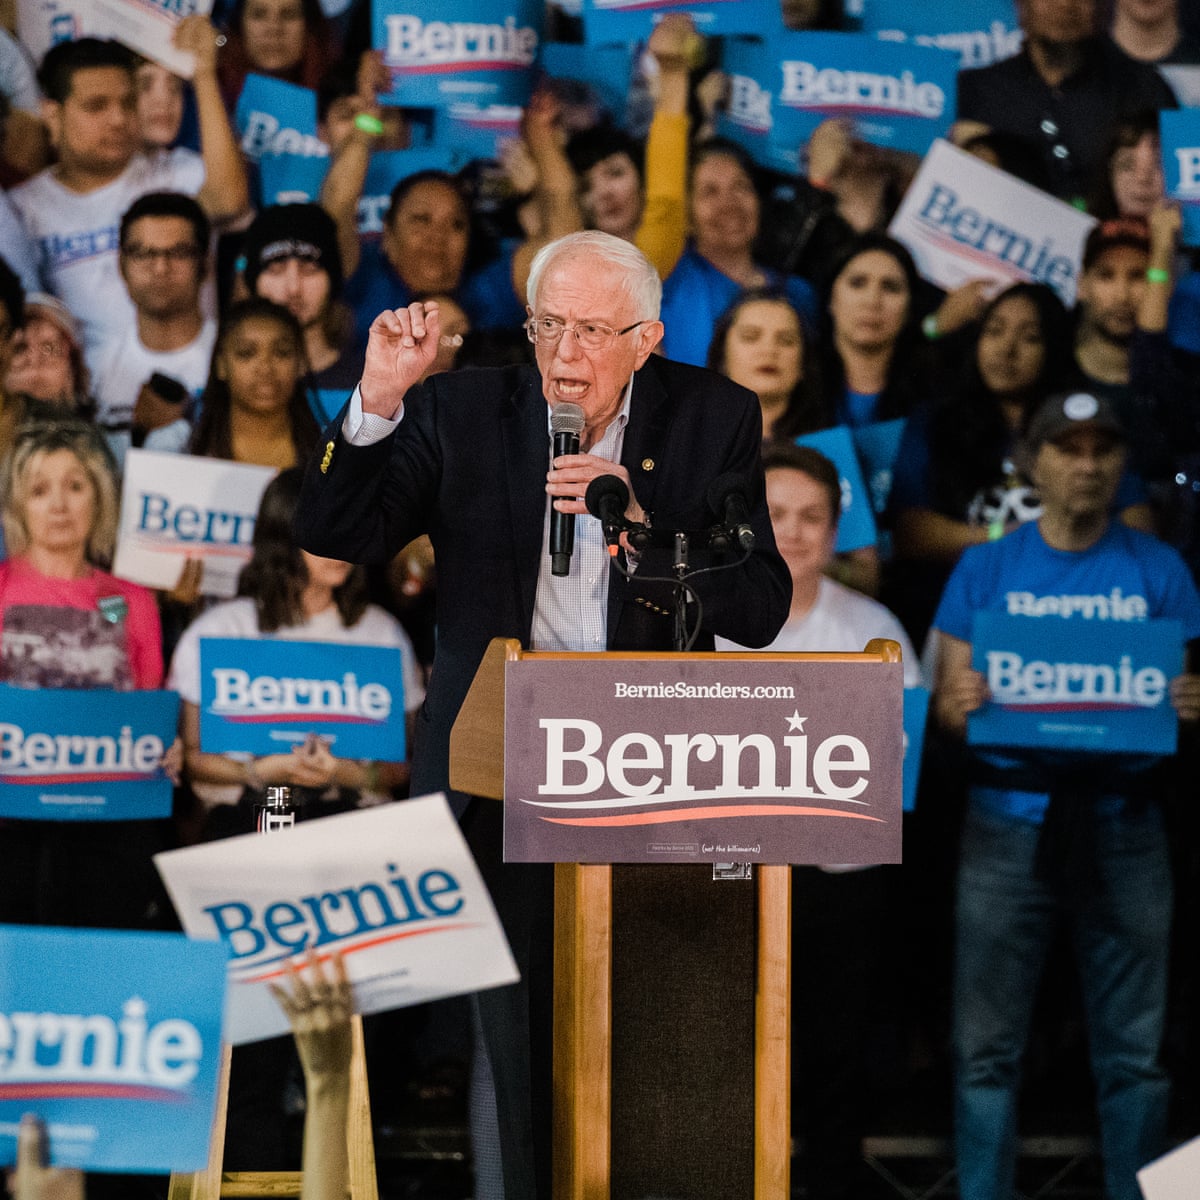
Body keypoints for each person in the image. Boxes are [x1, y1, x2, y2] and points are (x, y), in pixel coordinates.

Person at [295, 229, 791, 1199]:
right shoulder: (464, 406)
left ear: (646, 338)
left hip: (652, 767)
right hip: (503, 760)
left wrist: (636, 532)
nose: (565, 356)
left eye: (592, 332)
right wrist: (379, 401)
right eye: (548, 325)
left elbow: (759, 603)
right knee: (517, 1045)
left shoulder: (712, 415)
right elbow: (336, 530)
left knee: (653, 1041)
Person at [930, 390, 1200, 1200]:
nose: (1087, 464)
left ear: (1120, 464)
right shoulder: (986, 566)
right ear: (1033, 462)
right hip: (1005, 823)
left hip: (1126, 823)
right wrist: (958, 705)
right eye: (1068, 448)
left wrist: (1189, 708)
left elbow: (1177, 700)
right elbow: (945, 701)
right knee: (984, 1050)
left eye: (1102, 449)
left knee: (1136, 1055)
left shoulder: (1161, 569)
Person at [715, 441, 918, 1200]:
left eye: (812, 517)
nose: (793, 532)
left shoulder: (877, 629)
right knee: (729, 1051)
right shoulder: (703, 621)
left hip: (840, 885)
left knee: (835, 1055)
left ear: (837, 530)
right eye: (775, 515)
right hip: (728, 874)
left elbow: (897, 770)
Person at [169, 466, 423, 827]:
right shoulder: (220, 629)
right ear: (283, 536)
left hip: (356, 821)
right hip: (249, 815)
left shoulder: (381, 632)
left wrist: (346, 775)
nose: (341, 546)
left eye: (350, 527)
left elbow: (406, 765)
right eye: (325, 529)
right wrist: (259, 771)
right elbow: (194, 760)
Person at [0, 421, 169, 929]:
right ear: (17, 505)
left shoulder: (127, 601)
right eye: (39, 490)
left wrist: (163, 746)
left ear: (99, 497)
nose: (58, 506)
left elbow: (144, 703)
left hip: (106, 810)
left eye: (75, 486)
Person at [10, 33, 245, 371]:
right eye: (97, 106)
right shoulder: (22, 208)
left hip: (196, 391)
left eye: (128, 103)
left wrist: (205, 76)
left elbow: (228, 201)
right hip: (89, 408)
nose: (118, 119)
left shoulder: (174, 174)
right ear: (51, 114)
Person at [956, 0, 1177, 204]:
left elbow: (1177, 186)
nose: (1064, 4)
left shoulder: (1141, 88)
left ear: (1101, 6)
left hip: (1115, 241)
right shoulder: (976, 90)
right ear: (1021, 6)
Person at [660, 138, 818, 366]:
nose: (729, 204)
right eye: (709, 192)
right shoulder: (668, 281)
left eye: (741, 186)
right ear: (686, 216)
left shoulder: (799, 293)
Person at [90, 191, 215, 461]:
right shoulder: (94, 367)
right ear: (121, 265)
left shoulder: (236, 355)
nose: (160, 267)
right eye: (143, 253)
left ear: (205, 264)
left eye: (179, 252)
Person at [240, 202, 361, 395]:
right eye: (276, 270)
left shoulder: (370, 389)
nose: (293, 288)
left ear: (333, 281)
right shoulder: (230, 391)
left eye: (309, 270)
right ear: (253, 283)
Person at [188, 297, 320, 469]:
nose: (265, 368)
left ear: (301, 363)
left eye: (282, 353)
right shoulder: (179, 445)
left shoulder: (331, 453)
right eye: (246, 353)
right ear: (221, 365)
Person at [706, 288, 821, 440]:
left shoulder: (834, 447)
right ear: (722, 356)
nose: (769, 350)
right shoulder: (686, 442)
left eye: (786, 341)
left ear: (804, 362)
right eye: (750, 337)